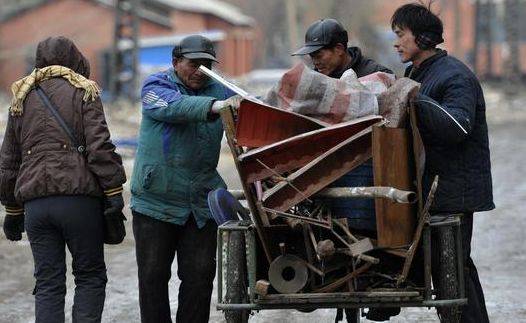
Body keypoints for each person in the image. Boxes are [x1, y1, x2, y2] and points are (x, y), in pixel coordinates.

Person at [0, 36, 126, 322]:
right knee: (90, 276)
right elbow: (99, 147)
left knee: (47, 283)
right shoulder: (84, 91)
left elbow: (8, 159)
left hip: (36, 208)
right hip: (78, 202)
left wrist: (12, 209)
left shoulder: (21, 96)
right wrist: (114, 190)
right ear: (75, 58)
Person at [391, 3, 493, 322]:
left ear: (421, 38)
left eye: (400, 35)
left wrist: (414, 97)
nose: (396, 43)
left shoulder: (454, 76)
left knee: (453, 269)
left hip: (454, 192)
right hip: (437, 190)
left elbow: (458, 127)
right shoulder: (419, 73)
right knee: (453, 268)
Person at [130, 34, 240, 323]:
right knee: (153, 279)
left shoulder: (220, 91)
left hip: (199, 205)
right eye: (194, 64)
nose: (200, 71)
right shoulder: (156, 87)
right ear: (176, 62)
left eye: (206, 65)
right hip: (155, 202)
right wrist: (215, 107)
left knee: (199, 279)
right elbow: (174, 107)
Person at [292, 18, 396, 323]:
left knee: (364, 236)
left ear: (339, 49)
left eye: (319, 54)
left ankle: (375, 282)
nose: (314, 61)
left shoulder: (375, 74)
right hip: (326, 176)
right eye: (311, 57)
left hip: (368, 177)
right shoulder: (315, 78)